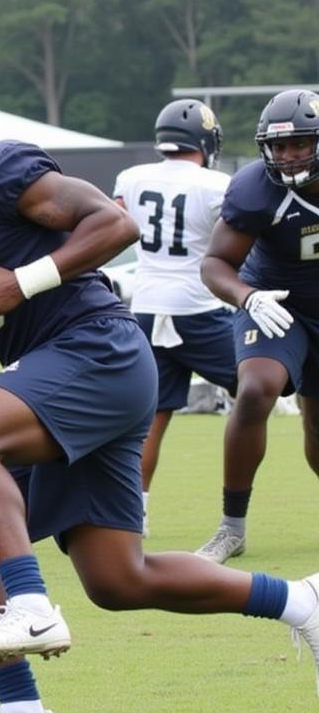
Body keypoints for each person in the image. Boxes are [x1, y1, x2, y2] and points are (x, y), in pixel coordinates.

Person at [0, 78, 319, 713]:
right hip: (57, 370)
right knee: (102, 574)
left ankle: (32, 605)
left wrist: (23, 279)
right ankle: (297, 602)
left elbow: (114, 223)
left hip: (93, 348)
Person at [196, 88, 319, 563]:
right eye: (279, 146)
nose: (287, 157)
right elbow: (215, 264)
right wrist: (247, 296)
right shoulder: (256, 190)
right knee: (254, 390)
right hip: (275, 302)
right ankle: (232, 527)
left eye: (299, 145)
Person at [112, 99, 237, 537]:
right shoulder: (216, 184)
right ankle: (236, 510)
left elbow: (116, 226)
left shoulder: (131, 178)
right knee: (267, 386)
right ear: (204, 142)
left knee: (152, 417)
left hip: (147, 306)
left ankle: (135, 513)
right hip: (198, 308)